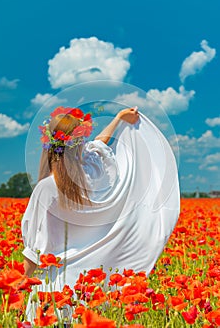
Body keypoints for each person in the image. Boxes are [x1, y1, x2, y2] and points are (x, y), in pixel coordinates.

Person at [21, 104, 180, 320]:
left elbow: (34, 252)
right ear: (79, 144)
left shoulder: (46, 189)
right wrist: (118, 119)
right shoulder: (95, 173)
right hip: (89, 290)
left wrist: (18, 287)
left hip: (55, 292)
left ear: (49, 145)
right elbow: (99, 144)